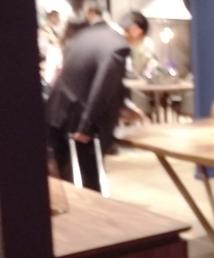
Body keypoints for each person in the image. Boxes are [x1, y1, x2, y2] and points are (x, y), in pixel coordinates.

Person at [46, 12, 147, 191]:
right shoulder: (118, 46)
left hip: (57, 111)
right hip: (80, 121)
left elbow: (86, 76)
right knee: (90, 180)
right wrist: (85, 126)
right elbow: (102, 87)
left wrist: (126, 107)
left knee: (63, 180)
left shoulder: (89, 33)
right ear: (136, 30)